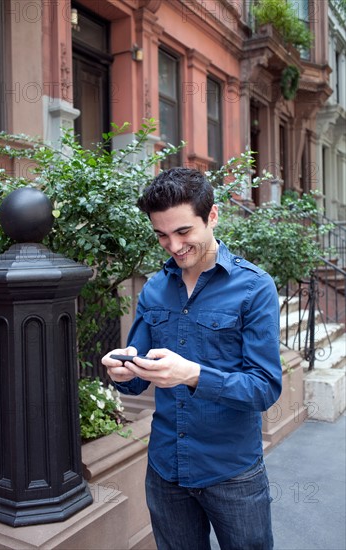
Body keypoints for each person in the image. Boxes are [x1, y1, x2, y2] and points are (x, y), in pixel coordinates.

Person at [102, 167, 282, 550]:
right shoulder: (153, 289)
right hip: (166, 468)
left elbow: (264, 388)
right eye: (162, 235)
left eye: (183, 232)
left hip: (232, 472)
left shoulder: (255, 288)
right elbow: (137, 378)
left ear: (212, 216)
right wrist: (123, 368)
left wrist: (193, 374)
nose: (173, 245)